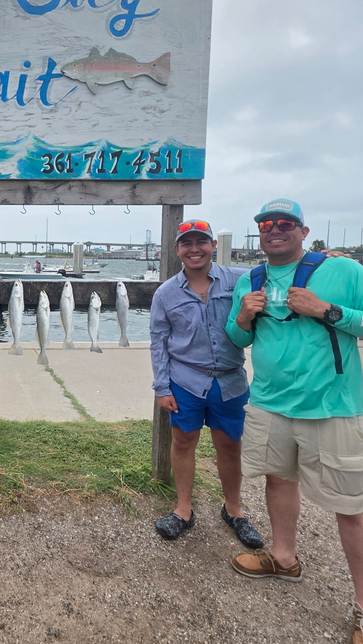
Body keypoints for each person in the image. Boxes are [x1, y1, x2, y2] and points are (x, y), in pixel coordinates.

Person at [226, 198, 363, 644]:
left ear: (303, 232)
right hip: (269, 404)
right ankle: (283, 557)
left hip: (332, 408)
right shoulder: (251, 279)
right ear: (260, 234)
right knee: (278, 480)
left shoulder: (343, 272)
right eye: (266, 224)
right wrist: (244, 316)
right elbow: (237, 336)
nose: (275, 230)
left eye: (286, 223)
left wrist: (329, 311)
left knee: (352, 506)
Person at [149, 219, 264, 548]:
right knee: (183, 443)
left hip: (231, 382)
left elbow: (280, 274)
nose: (194, 248)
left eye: (201, 242)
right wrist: (162, 387)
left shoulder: (240, 280)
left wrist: (326, 260)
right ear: (177, 250)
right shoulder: (165, 293)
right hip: (185, 381)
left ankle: (234, 510)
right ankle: (183, 509)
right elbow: (158, 342)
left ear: (213, 245)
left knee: (230, 446)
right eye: (187, 243)